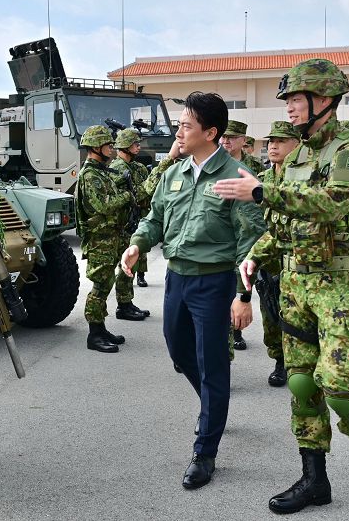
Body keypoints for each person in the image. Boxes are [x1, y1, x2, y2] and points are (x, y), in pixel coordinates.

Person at [214, 58, 349, 513]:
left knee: (342, 384)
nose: (290, 108)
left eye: (296, 99)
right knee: (301, 383)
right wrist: (258, 255)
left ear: (325, 99)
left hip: (340, 283)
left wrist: (260, 191)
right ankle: (315, 479)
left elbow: (331, 204)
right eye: (288, 100)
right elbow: (283, 225)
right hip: (295, 283)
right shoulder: (296, 157)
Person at [121, 91, 264, 489]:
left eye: (186, 126)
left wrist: (244, 295)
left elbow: (250, 241)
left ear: (210, 132)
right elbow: (154, 218)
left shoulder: (236, 178)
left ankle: (205, 452)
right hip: (177, 278)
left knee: (212, 360)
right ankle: (213, 402)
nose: (179, 132)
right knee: (178, 349)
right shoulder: (174, 173)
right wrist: (137, 244)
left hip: (214, 281)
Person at [76, 125, 145, 353]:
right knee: (100, 285)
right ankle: (94, 335)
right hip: (100, 239)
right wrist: (127, 195)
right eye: (107, 145)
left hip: (110, 236)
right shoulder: (90, 175)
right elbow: (104, 205)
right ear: (96, 147)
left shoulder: (102, 171)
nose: (111, 149)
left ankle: (101, 328)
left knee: (106, 284)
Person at [258, 120, 300, 386]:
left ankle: (300, 363)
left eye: (281, 141)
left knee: (298, 316)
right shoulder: (261, 180)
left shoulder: (303, 180)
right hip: (269, 259)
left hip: (297, 260)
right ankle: (279, 361)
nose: (273, 146)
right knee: (271, 314)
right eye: (271, 141)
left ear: (297, 145)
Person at [220, 119, 265, 351]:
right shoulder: (216, 163)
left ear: (243, 140)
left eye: (232, 137)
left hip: (247, 230)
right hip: (224, 232)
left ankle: (236, 329)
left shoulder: (254, 166)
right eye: (224, 136)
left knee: (241, 281)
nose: (226, 141)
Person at [110, 128, 151, 288]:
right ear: (126, 146)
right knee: (128, 249)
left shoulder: (138, 167)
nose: (139, 147)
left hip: (140, 212)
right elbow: (134, 194)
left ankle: (140, 274)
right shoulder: (118, 168)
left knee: (141, 247)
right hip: (126, 218)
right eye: (135, 144)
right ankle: (126, 279)